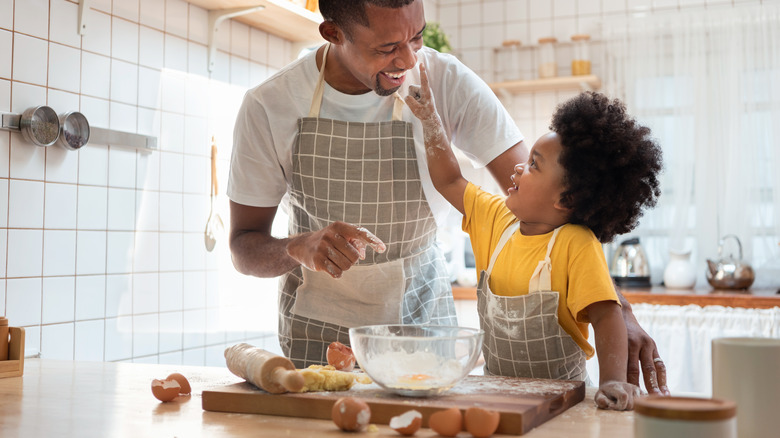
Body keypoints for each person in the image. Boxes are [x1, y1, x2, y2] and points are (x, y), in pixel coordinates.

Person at [226, 0, 670, 396]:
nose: (407, 59)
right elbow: (244, 247)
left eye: (416, 37)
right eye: (386, 48)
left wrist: (616, 309)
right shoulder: (270, 105)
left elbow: (559, 200)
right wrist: (296, 247)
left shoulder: (447, 82)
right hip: (315, 340)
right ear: (333, 33)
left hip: (424, 337)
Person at [405, 66, 662, 409]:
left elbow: (606, 315)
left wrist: (612, 381)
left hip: (563, 403)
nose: (517, 168)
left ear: (565, 200)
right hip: (500, 396)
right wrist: (431, 122)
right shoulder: (496, 218)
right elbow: (450, 181)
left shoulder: (576, 244)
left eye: (533, 165)